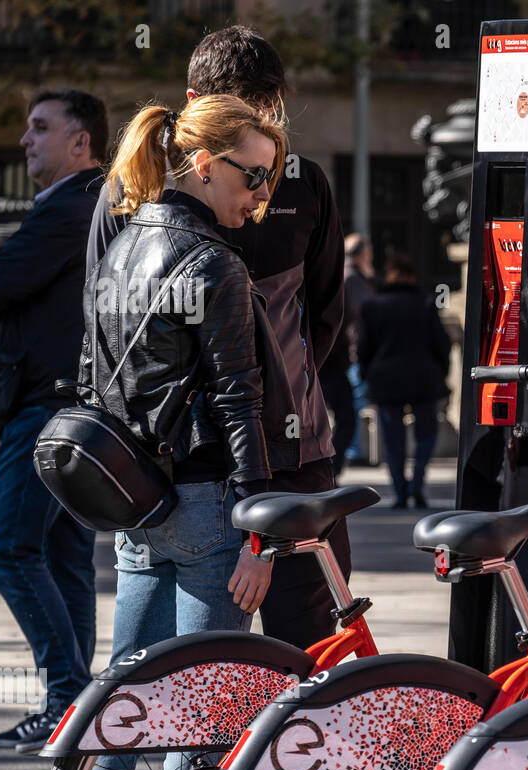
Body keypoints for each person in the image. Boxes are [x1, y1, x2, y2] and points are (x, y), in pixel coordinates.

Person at [86, 26, 347, 651]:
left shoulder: (301, 182)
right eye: (235, 113)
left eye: (265, 113)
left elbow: (324, 315)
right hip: (188, 468)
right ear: (192, 105)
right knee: (200, 676)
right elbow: (105, 329)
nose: (255, 132)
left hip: (285, 456)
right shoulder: (127, 191)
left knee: (299, 649)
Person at [78, 94, 289, 770]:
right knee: (200, 720)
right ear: (203, 165)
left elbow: (91, 377)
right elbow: (241, 400)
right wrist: (260, 532)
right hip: (206, 508)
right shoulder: (213, 263)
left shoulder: (122, 246)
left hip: (138, 504)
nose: (261, 197)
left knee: (120, 710)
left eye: (271, 179)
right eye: (253, 177)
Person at [0, 90, 107, 752]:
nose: (24, 138)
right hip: (74, 406)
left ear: (81, 144)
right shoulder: (89, 205)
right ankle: (73, 707)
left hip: (49, 408)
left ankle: (65, 696)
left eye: (40, 128)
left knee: (5, 546)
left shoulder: (72, 207)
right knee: (65, 554)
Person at [358, 253, 450, 508]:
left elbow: (364, 348)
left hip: (386, 379)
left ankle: (400, 491)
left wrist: (368, 375)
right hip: (423, 378)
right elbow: (441, 343)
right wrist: (441, 373)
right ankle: (417, 483)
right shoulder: (425, 303)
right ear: (411, 275)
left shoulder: (374, 305)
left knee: (393, 440)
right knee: (426, 435)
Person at [320, 233, 376, 474]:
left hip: (334, 358)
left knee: (344, 413)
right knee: (348, 412)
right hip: (340, 358)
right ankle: (338, 463)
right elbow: (361, 317)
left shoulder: (342, 277)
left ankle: (334, 465)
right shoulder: (351, 279)